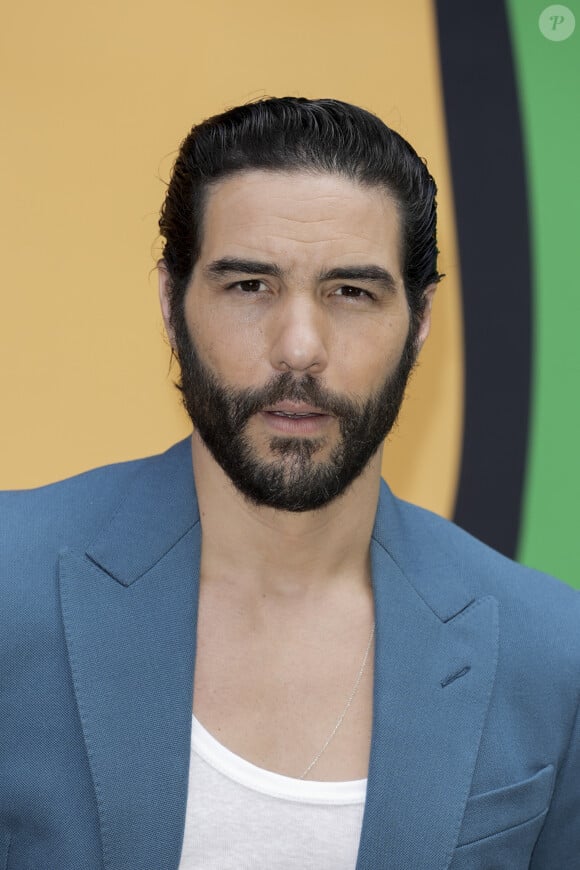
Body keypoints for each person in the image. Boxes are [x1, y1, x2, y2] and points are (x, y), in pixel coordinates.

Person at [1, 97, 578, 870]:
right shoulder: (14, 583)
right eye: (249, 286)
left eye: (351, 292)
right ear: (172, 304)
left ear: (421, 318)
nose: (299, 347)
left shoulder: (549, 654)